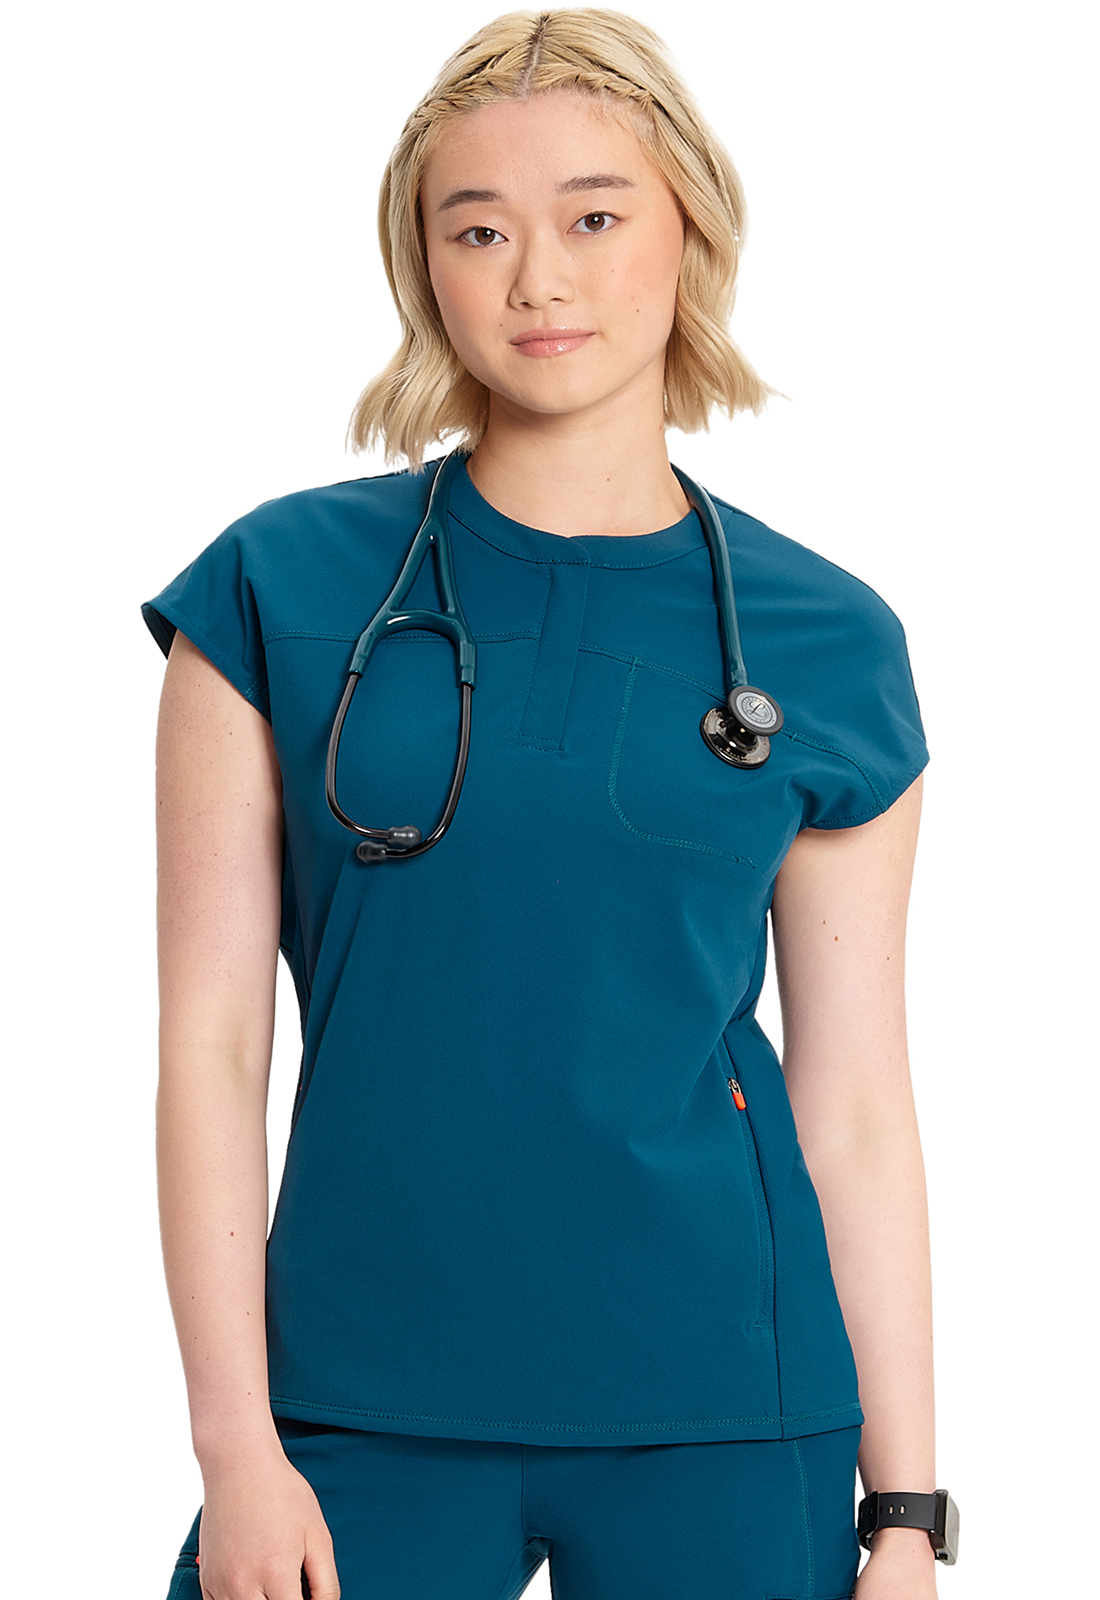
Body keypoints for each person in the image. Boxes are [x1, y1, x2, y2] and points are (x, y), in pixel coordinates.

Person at [145, 10, 948, 1599]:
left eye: (593, 217)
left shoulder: (828, 642)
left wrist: (908, 1514)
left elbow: (853, 1099)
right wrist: (237, 1450)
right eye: (479, 230)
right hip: (351, 1404)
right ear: (423, 266)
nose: (538, 280)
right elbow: (211, 1047)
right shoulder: (273, 593)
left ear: (688, 231)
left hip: (730, 1406)